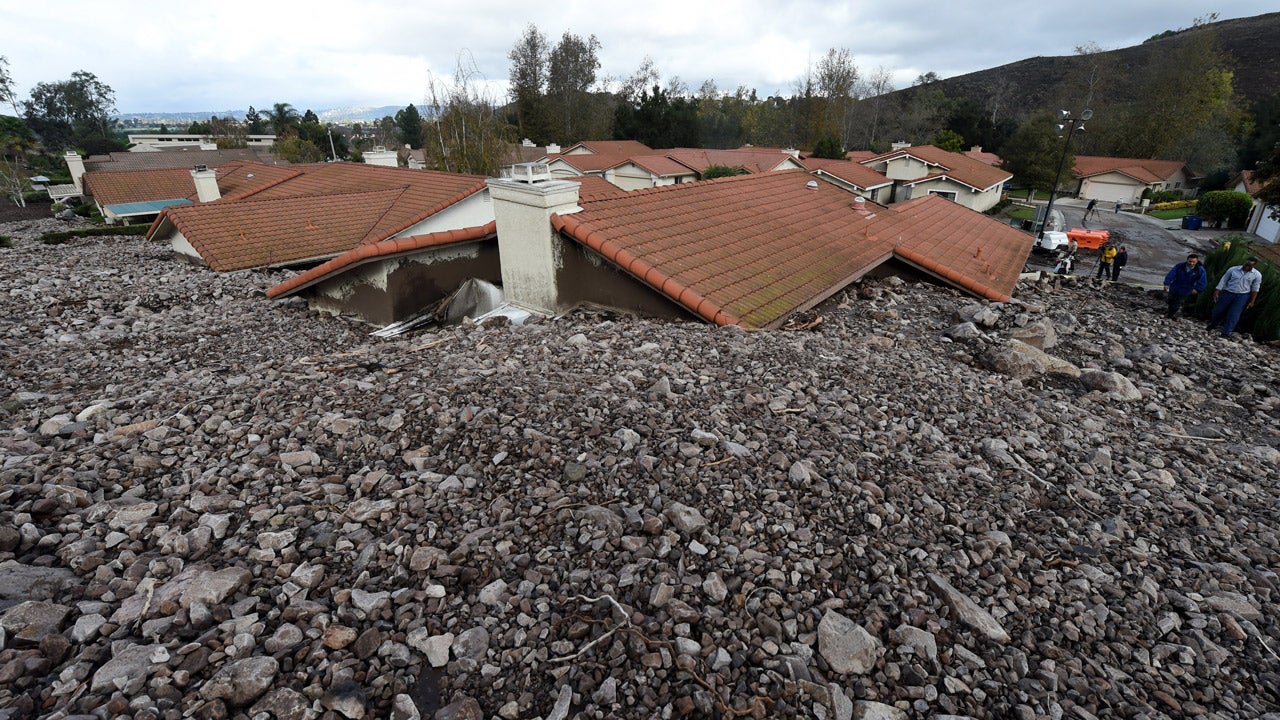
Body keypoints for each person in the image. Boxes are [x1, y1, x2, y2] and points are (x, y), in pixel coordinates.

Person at [1207, 257, 1264, 337]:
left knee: (1233, 314)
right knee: (1218, 311)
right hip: (1227, 293)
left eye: (1250, 265)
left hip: (1242, 296)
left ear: (1254, 266)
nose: (1247, 266)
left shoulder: (1257, 275)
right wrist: (1217, 290)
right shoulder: (1233, 269)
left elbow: (1255, 288)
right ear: (1245, 262)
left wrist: (1252, 301)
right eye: (1246, 264)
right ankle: (1212, 325)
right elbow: (1224, 280)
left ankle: (1226, 333)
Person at [1163, 253, 1207, 318]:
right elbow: (1172, 273)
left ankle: (1170, 315)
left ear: (1197, 261)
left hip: (1186, 289)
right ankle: (1169, 309)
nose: (1191, 263)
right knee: (1170, 299)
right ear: (1187, 260)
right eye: (1190, 261)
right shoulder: (1180, 266)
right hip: (1175, 285)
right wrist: (1167, 283)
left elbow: (1202, 280)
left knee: (1177, 303)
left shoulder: (1200, 270)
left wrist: (1197, 289)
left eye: (1193, 262)